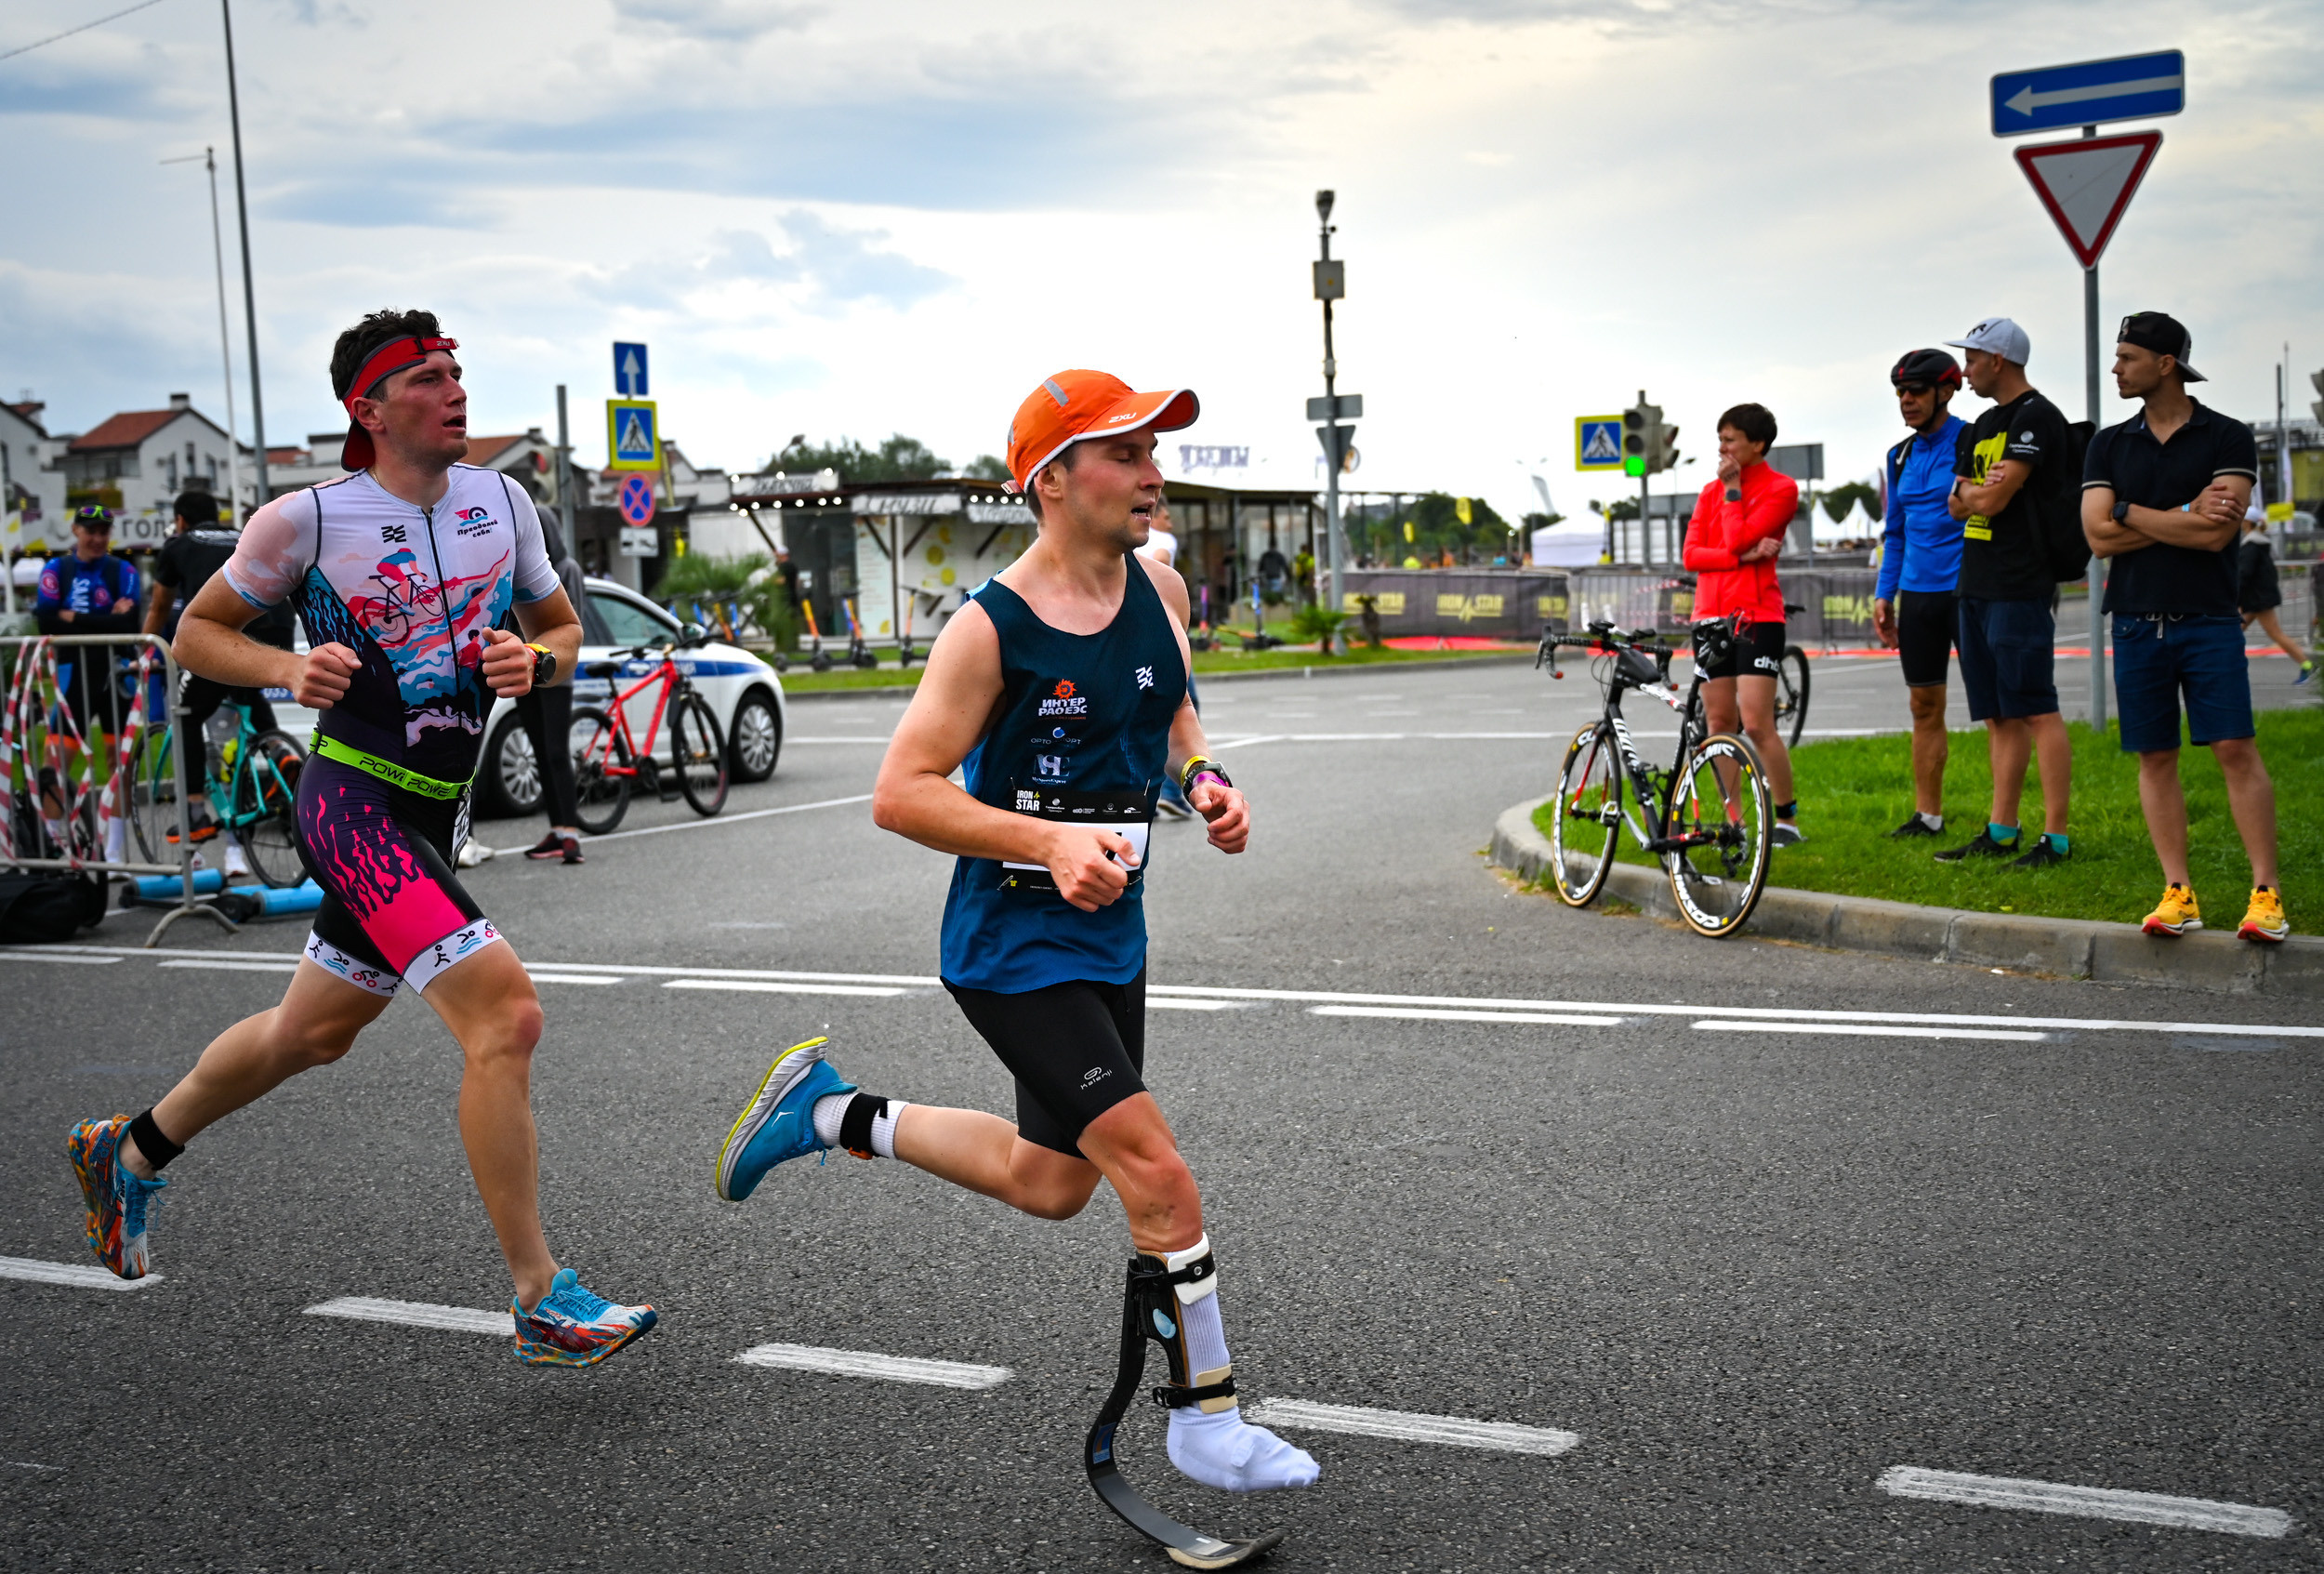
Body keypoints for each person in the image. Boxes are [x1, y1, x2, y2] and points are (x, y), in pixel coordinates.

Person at [713, 370, 1320, 1511]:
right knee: (1157, 1175)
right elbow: (901, 794)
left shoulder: (1161, 586)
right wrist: (1044, 843)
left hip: (1112, 933)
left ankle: (831, 1113)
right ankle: (1208, 1423)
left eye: (1155, 451)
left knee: (1053, 1184)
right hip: (1011, 946)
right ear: (1052, 480)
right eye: (1127, 452)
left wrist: (1207, 779)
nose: (1153, 473)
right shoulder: (989, 627)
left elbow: (1176, 716)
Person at [66, 310, 655, 1364]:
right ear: (369, 409)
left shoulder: (504, 500)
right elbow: (198, 632)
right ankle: (538, 1295)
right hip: (353, 804)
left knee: (312, 1034)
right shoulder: (306, 520)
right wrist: (289, 669)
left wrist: (539, 661)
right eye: (428, 377)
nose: (454, 390)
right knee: (505, 1017)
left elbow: (561, 629)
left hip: (438, 809)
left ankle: (132, 1147)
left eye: (456, 371)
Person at [2082, 311, 2286, 943]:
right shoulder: (2107, 444)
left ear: (2165, 364)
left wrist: (2131, 511)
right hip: (2137, 623)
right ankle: (2178, 892)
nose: (2115, 368)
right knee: (2156, 757)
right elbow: (2096, 535)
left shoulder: (2227, 437)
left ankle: (2266, 895)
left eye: (2126, 357)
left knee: (2234, 748)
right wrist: (2177, 511)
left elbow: (2216, 532)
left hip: (2208, 619)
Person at [1934, 317, 2072, 870]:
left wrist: (1977, 493)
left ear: (1998, 359)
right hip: (1976, 580)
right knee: (1997, 715)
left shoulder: (2037, 416)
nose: (1964, 371)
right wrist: (1976, 492)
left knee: (2037, 708)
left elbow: (1989, 502)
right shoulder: (1981, 426)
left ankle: (2056, 837)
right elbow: (1956, 502)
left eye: (1971, 360)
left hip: (2020, 581)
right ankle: (2002, 828)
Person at [144, 489, 299, 855]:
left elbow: (160, 608)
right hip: (277, 624)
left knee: (186, 714)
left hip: (227, 625)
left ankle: (195, 814)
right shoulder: (240, 535)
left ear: (180, 520)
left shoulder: (178, 545)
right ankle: (278, 751)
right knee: (247, 690)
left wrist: (145, 650)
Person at [1682, 403, 1803, 844]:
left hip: (1756, 616)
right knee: (1718, 723)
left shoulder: (1780, 488)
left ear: (1758, 444)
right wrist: (1740, 558)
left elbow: (1734, 537)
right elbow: (1691, 556)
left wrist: (1733, 492)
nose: (1722, 448)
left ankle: (1786, 818)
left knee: (1755, 723)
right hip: (1709, 617)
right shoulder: (1707, 492)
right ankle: (1736, 822)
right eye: (1720, 438)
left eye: (1731, 439)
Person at [1871, 351, 1971, 838]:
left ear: (1946, 391)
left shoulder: (1973, 439)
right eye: (1900, 393)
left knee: (1997, 711)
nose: (1906, 401)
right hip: (1917, 594)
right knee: (1923, 706)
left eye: (1915, 391)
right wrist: (1884, 593)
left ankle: (2001, 826)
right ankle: (1928, 815)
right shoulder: (1900, 454)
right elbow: (1897, 530)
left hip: (1968, 590)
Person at [33, 505, 142, 804]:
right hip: (74, 675)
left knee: (120, 766)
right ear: (75, 531)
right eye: (90, 531)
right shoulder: (57, 569)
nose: (97, 538)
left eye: (103, 532)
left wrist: (72, 618)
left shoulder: (123, 570)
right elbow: (46, 621)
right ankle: (53, 842)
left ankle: (116, 850)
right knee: (55, 765)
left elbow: (129, 624)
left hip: (115, 674)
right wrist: (109, 617)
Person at [515, 503, 589, 863]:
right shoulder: (521, 573)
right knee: (540, 750)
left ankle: (571, 833)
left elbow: (570, 621)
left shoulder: (566, 569)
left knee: (557, 751)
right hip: (526, 672)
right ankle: (558, 830)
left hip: (554, 673)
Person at [1137, 497, 1195, 820]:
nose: (1171, 524)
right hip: (1158, 631)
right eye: (1167, 516)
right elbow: (1159, 566)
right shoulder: (1162, 542)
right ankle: (1171, 792)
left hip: (1127, 629)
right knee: (1180, 704)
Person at [2238, 505, 2312, 683]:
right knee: (2235, 632)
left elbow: (2244, 574)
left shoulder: (2252, 545)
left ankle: (2307, 665)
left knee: (2274, 634)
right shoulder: (2259, 543)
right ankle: (2224, 669)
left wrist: (2236, 596)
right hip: (2257, 599)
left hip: (2258, 600)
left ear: (2247, 522)